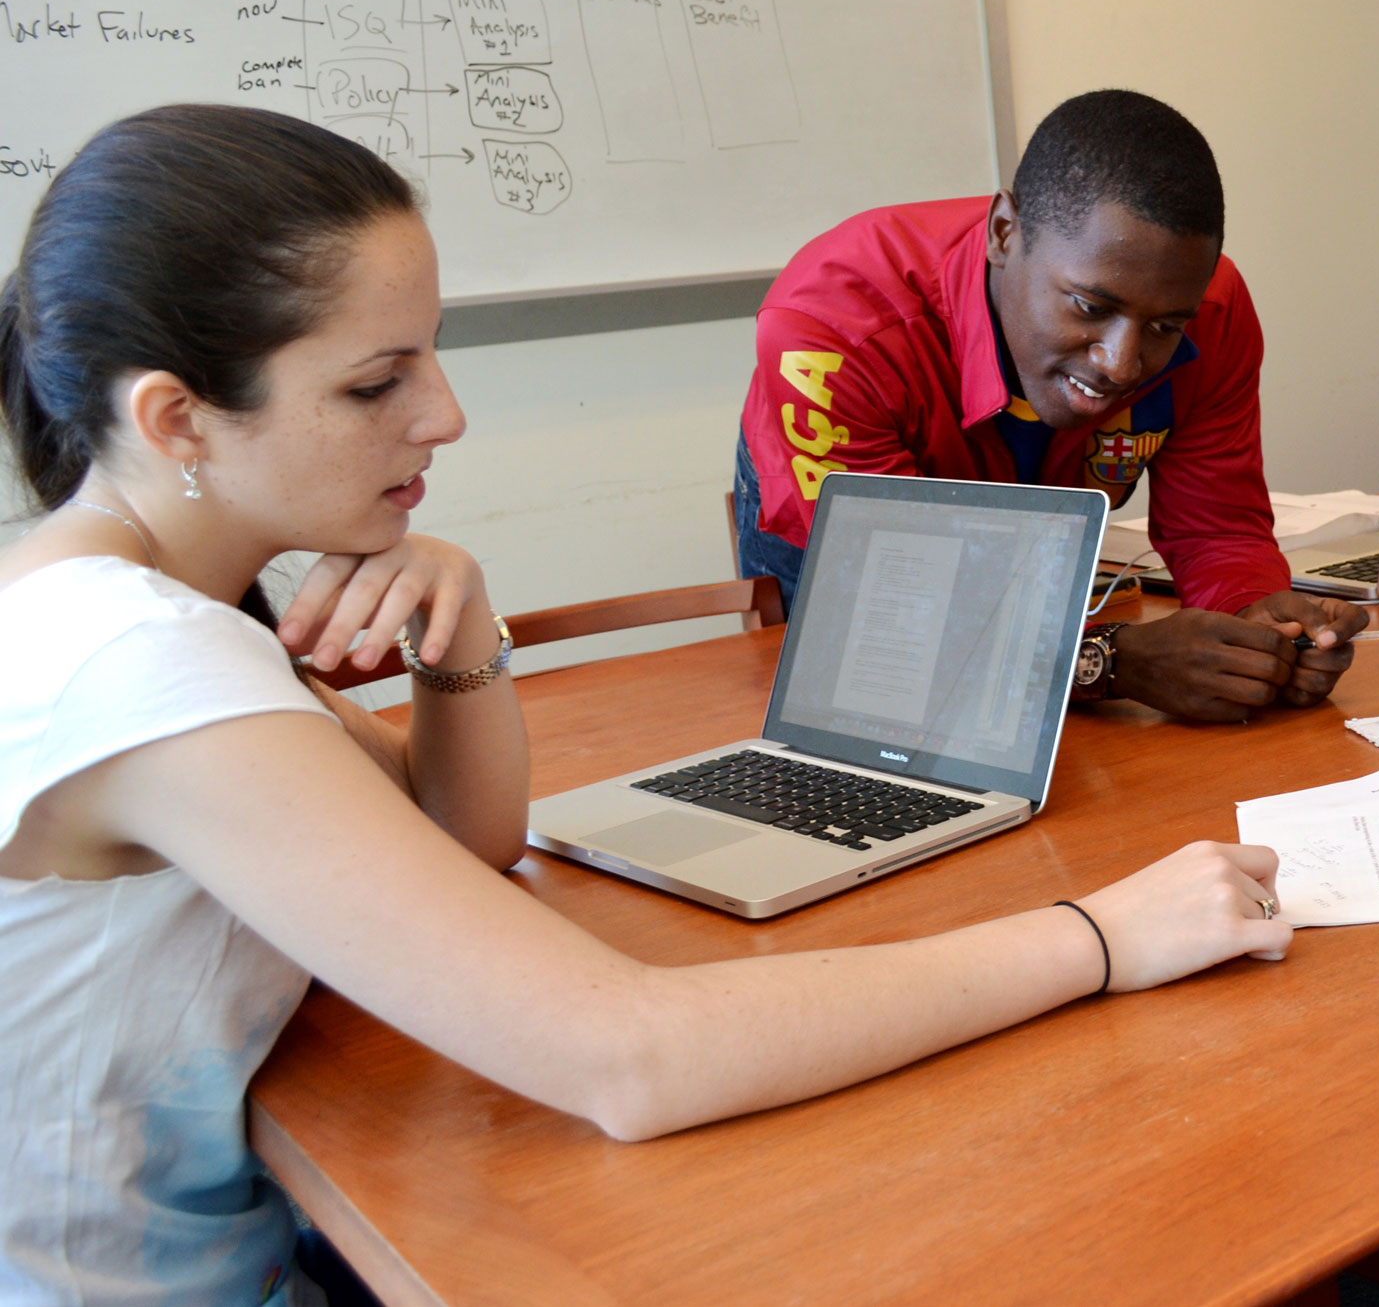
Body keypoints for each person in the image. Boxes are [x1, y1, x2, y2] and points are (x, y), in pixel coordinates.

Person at [0, 105, 1293, 1306]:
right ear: (175, 417)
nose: (444, 413)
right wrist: (1105, 931)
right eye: (375, 381)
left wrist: (461, 629)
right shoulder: (142, 664)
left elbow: (464, 838)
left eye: (432, 357)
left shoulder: (120, 603)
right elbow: (634, 1056)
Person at [735, 88, 1367, 725]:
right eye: (1091, 308)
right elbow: (888, 607)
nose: (1121, 364)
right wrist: (1104, 662)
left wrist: (1258, 627)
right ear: (1005, 234)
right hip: (879, 587)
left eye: (1164, 327)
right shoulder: (831, 330)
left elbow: (1218, 529)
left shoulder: (1212, 308)